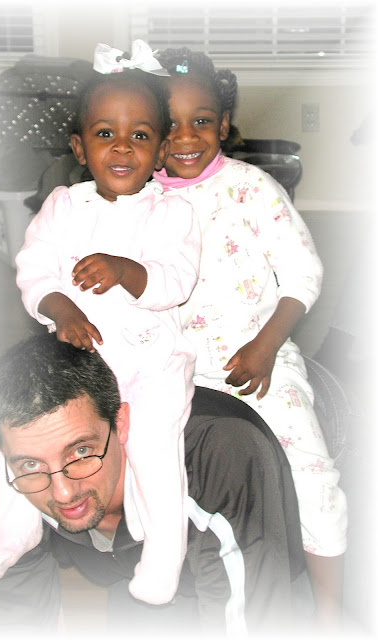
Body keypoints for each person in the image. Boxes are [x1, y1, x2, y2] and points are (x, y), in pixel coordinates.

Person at [153, 47, 348, 627]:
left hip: (259, 360)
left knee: (312, 475)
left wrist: (266, 348)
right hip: (170, 368)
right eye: (167, 123)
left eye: (201, 120)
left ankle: (331, 613)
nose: (185, 136)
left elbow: (303, 273)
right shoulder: (138, 198)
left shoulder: (252, 188)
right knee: (161, 474)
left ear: (224, 126)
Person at [12, 40, 201, 606]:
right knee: (24, 417)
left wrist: (126, 270)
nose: (122, 146)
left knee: (154, 449)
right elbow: (33, 270)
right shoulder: (63, 206)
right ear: (79, 146)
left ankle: (164, 552)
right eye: (104, 133)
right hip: (82, 364)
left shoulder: (173, 213)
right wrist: (60, 307)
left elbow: (176, 280)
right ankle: (18, 522)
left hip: (152, 365)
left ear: (161, 150)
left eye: (139, 135)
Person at [0, 332, 306, 635]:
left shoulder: (216, 458)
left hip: (264, 562)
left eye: (81, 451)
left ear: (121, 422)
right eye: (32, 465)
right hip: (135, 577)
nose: (63, 493)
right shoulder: (4, 464)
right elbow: (12, 617)